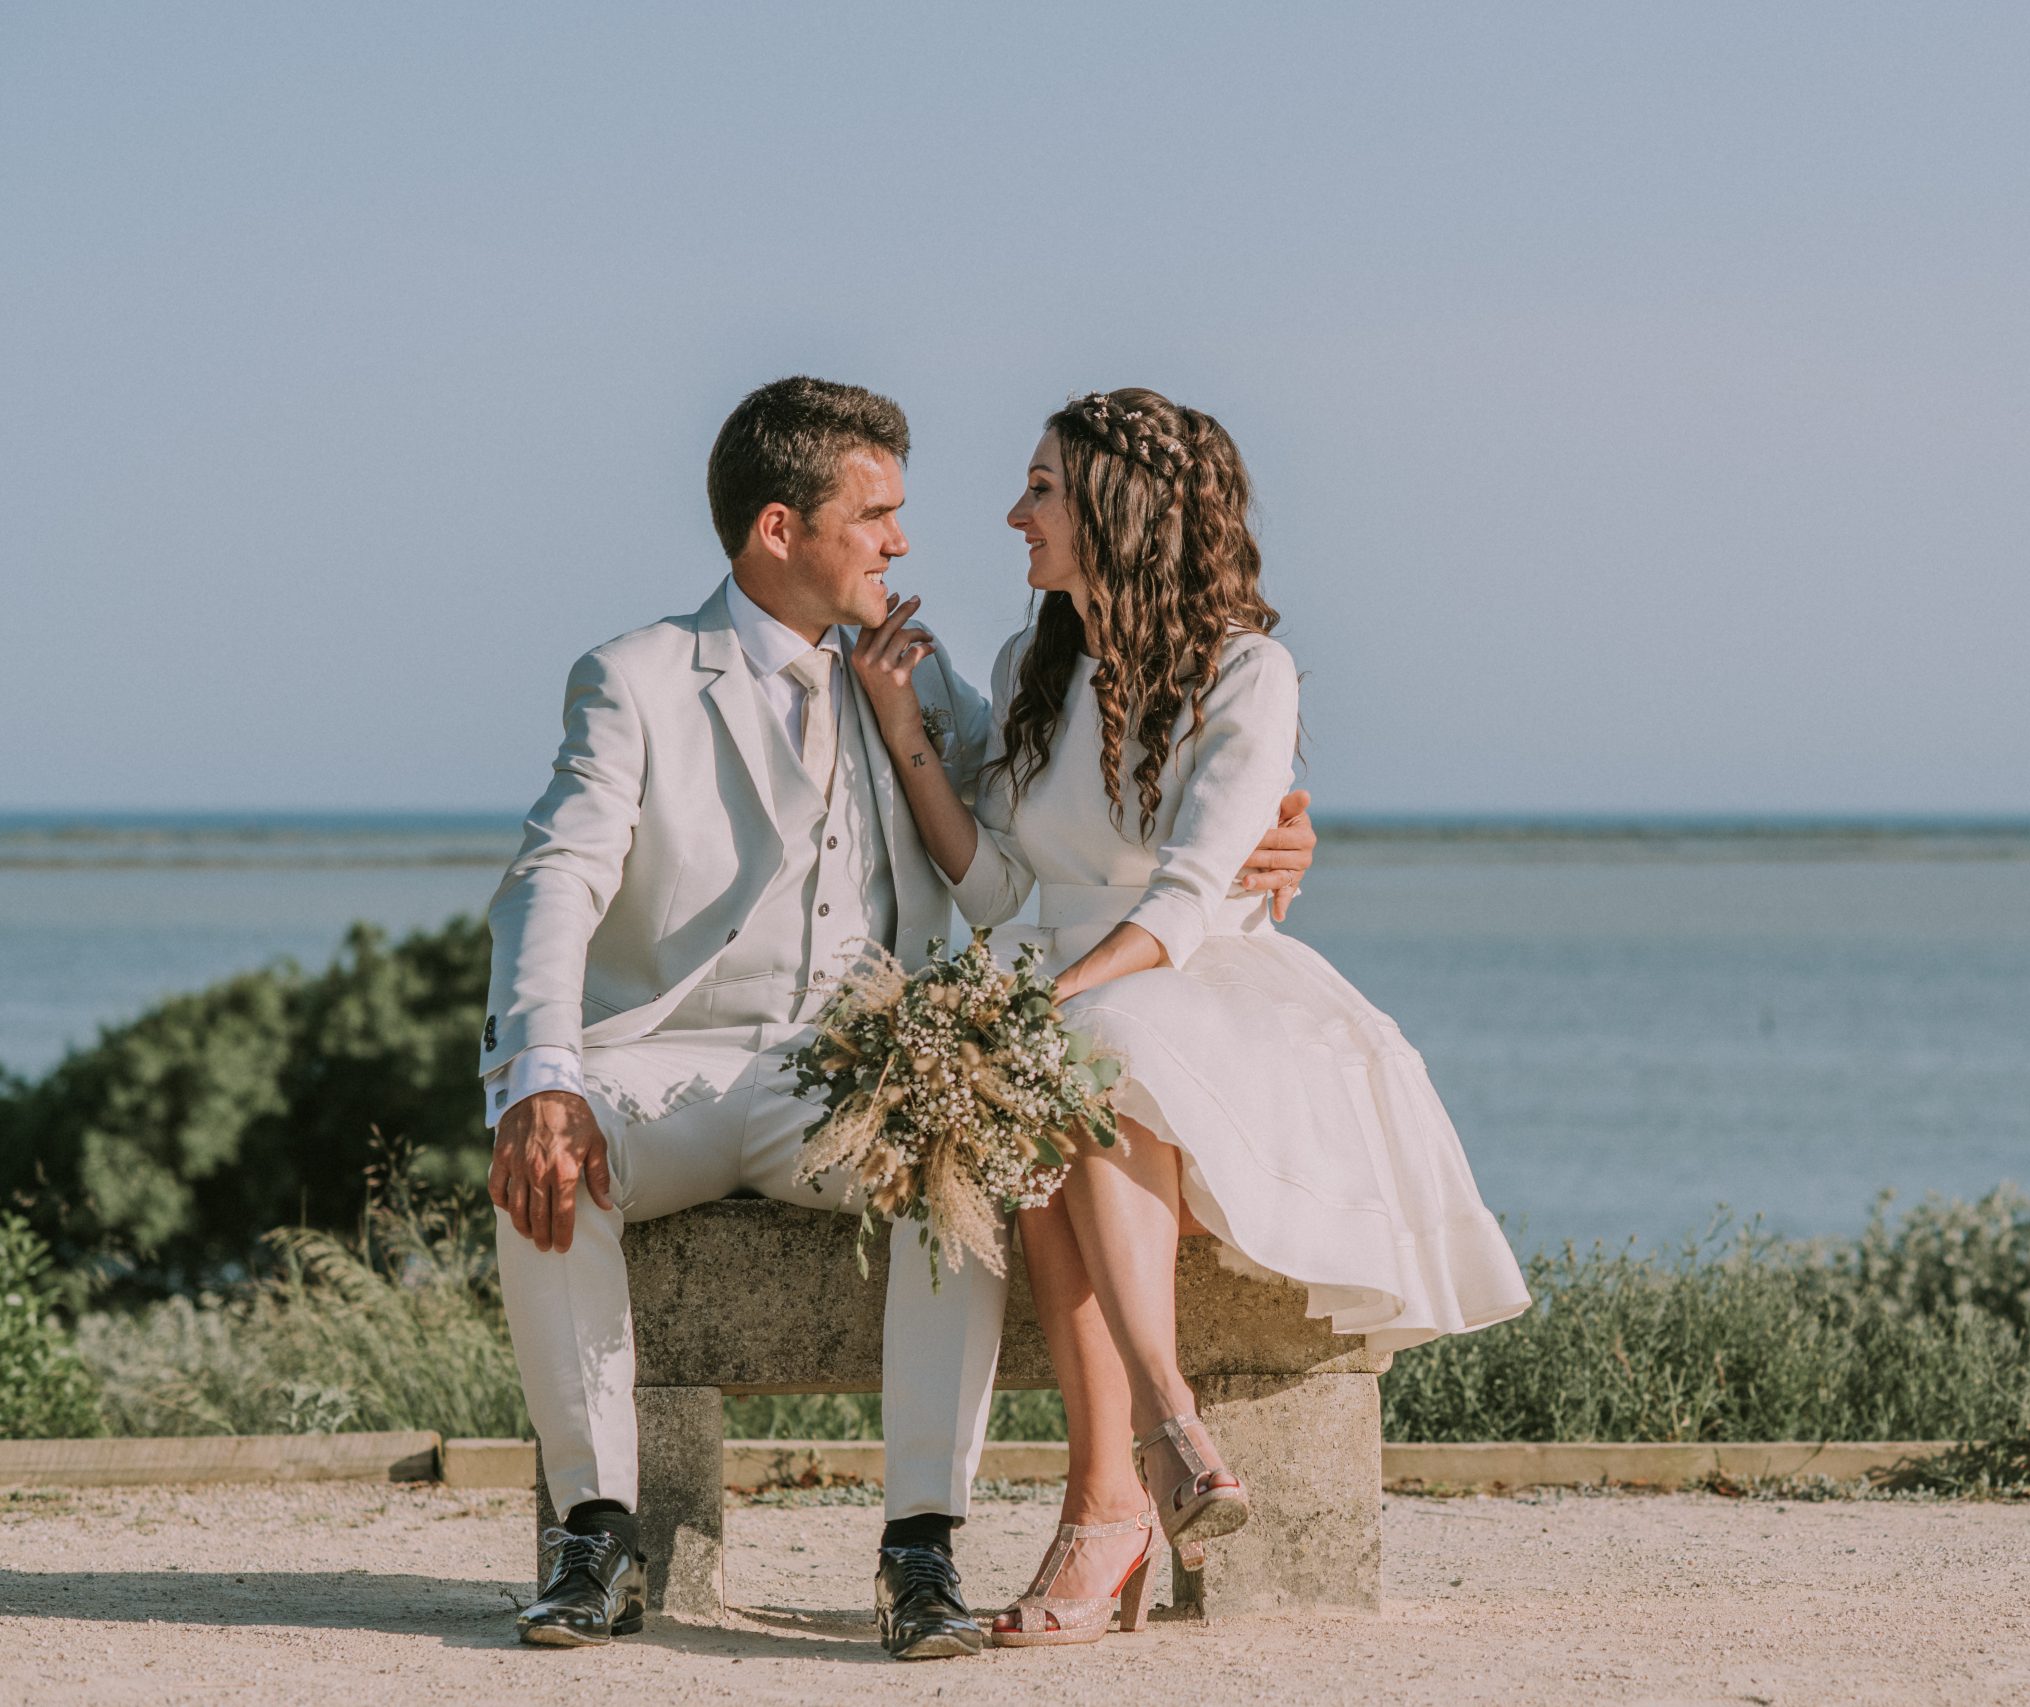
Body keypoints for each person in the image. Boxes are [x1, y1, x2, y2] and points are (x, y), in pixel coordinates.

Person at [481, 377, 1318, 1657]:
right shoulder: (637, 678)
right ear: (780, 530)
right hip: (676, 1064)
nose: (903, 541)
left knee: (960, 1148)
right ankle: (594, 1533)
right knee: (547, 1159)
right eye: (874, 515)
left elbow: (1061, 816)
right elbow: (558, 877)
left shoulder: (917, 679)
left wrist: (1284, 831)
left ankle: (920, 1546)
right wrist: (539, 1072)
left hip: (851, 1074)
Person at [848, 387, 1528, 1646]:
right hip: (1073, 990)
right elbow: (996, 883)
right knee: (1066, 1080)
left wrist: (1028, 1011)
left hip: (1206, 987)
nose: (1014, 515)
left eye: (1042, 489)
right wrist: (905, 735)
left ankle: (1139, 1455)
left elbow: (1182, 904)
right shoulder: (1027, 664)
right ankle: (1134, 1482)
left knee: (1088, 1051)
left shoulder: (1245, 671)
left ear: (1120, 506)